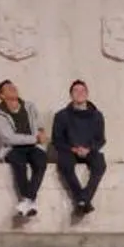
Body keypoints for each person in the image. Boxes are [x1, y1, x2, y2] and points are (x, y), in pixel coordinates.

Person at [0, 80, 49, 223]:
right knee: (19, 164)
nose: (13, 89)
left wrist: (41, 132)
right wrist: (35, 138)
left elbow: (40, 125)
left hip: (34, 147)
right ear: (1, 95)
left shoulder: (29, 106)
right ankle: (30, 200)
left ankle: (28, 200)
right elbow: (10, 138)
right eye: (8, 88)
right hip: (13, 149)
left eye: (14, 87)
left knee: (41, 161)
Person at [51, 80, 108, 217]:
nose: (80, 93)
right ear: (71, 95)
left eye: (83, 90)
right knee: (64, 164)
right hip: (70, 150)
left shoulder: (97, 115)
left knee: (100, 164)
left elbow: (101, 139)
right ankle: (83, 200)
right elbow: (57, 140)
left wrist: (89, 149)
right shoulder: (61, 115)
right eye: (76, 91)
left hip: (89, 150)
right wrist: (72, 149)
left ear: (87, 94)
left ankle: (83, 198)